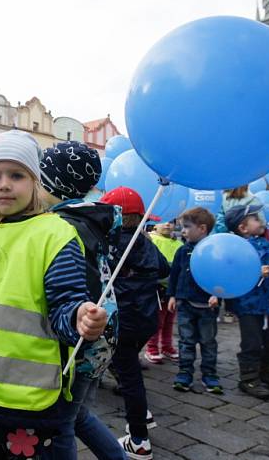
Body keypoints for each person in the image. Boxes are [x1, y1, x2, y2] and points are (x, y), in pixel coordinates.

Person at [0, 130, 107, 460]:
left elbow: (66, 302)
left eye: (17, 175)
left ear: (36, 182)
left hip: (29, 392)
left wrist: (78, 318)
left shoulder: (55, 233)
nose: (4, 184)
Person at [38, 142, 125, 460]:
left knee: (60, 424)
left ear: (54, 184)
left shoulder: (65, 226)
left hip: (82, 335)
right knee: (78, 415)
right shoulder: (93, 217)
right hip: (104, 332)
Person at [100, 186, 170, 459]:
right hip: (146, 320)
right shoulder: (144, 242)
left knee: (129, 378)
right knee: (124, 368)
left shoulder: (112, 241)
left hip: (123, 322)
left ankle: (139, 440)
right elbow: (164, 269)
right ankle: (143, 413)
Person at [226, 204, 269, 400]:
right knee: (252, 344)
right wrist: (256, 273)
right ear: (243, 228)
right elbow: (235, 276)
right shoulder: (237, 249)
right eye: (255, 218)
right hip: (250, 306)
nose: (261, 221)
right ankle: (248, 378)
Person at [166, 208, 222, 394]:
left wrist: (217, 294)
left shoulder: (214, 251)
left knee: (208, 342)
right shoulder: (182, 251)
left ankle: (210, 374)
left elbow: (221, 277)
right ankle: (185, 373)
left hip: (208, 305)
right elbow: (174, 275)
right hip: (185, 303)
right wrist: (172, 295)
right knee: (186, 340)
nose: (183, 231)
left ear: (202, 228)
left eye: (187, 227)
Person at [146, 221, 183, 364]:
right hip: (157, 289)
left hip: (173, 290)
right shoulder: (151, 240)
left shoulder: (178, 244)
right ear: (154, 224)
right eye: (164, 221)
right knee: (157, 321)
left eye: (172, 221)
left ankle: (167, 346)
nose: (168, 224)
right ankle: (152, 348)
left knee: (169, 320)